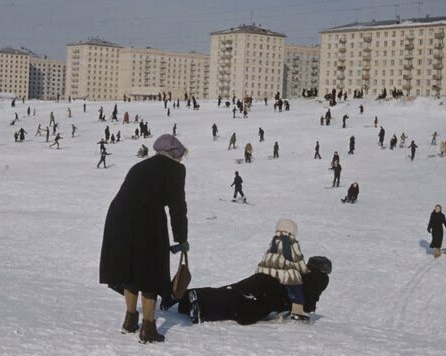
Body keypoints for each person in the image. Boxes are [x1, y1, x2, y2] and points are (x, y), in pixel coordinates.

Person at [99, 134, 188, 344]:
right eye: (181, 155)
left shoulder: (140, 166)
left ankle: (130, 320)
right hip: (146, 220)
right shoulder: (175, 169)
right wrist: (182, 238)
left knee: (131, 270)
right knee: (151, 272)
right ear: (174, 153)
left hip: (118, 218)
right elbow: (177, 206)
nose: (182, 160)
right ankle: (148, 327)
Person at [180, 256, 331, 325]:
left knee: (231, 291)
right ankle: (201, 310)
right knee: (237, 308)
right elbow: (307, 305)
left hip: (263, 279)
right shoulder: (318, 281)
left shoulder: (301, 270)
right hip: (267, 294)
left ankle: (188, 297)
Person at [255, 219, 310, 320]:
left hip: (267, 271)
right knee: (295, 285)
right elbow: (297, 259)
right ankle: (297, 311)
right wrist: (304, 270)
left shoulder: (274, 240)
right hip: (283, 273)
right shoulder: (292, 242)